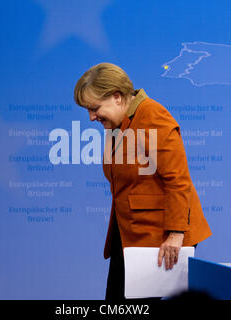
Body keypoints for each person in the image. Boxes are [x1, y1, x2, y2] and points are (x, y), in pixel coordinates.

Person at [74, 62, 212, 300]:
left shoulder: (151, 115)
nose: (91, 117)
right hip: (130, 234)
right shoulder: (118, 124)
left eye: (94, 108)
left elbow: (177, 180)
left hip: (159, 237)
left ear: (117, 97)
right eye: (87, 110)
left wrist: (175, 234)